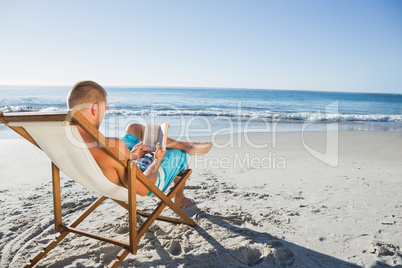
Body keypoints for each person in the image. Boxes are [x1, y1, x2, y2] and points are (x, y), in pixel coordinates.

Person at [67, 80, 213, 208]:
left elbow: (108, 160)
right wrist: (157, 160)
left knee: (134, 128)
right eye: (104, 109)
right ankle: (179, 198)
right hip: (138, 182)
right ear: (94, 109)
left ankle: (186, 144)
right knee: (180, 154)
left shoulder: (62, 138)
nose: (104, 113)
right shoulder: (114, 145)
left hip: (105, 172)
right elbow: (144, 189)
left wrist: (130, 155)